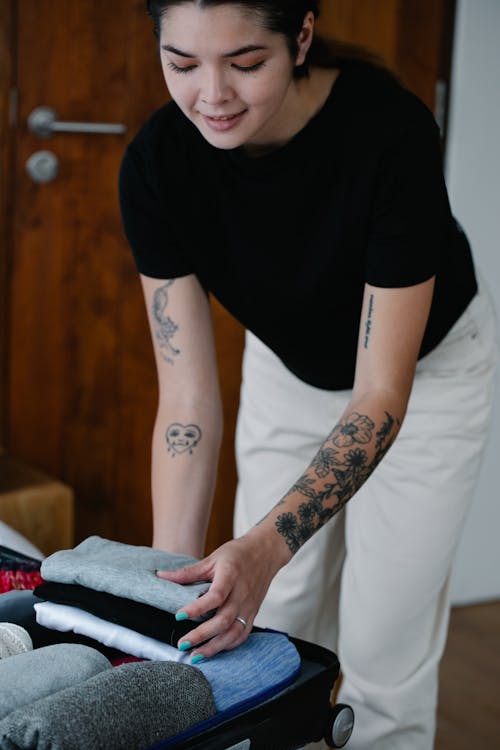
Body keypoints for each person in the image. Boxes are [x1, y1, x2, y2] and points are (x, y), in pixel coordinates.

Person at [118, 2, 498, 747]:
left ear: (301, 37)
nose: (213, 95)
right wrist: (163, 589)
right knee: (269, 631)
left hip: (424, 381)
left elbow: (380, 395)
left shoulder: (391, 133)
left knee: (385, 649)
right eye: (183, 64)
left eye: (246, 63)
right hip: (290, 369)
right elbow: (188, 399)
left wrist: (263, 547)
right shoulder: (158, 163)